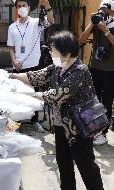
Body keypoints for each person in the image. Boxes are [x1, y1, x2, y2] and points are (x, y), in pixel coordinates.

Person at [10, 31, 104, 190]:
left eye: (53, 49)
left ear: (66, 53)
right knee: (64, 164)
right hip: (61, 125)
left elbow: (58, 94)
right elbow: (35, 76)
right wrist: (11, 76)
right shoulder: (57, 67)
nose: (50, 52)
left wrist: (28, 94)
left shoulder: (80, 70)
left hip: (80, 126)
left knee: (86, 165)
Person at [7, 0, 54, 131]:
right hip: (19, 66)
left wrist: (47, 6)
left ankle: (34, 121)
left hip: (35, 65)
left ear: (28, 7)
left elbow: (51, 21)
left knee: (35, 94)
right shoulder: (12, 27)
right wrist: (14, 60)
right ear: (16, 8)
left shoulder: (36, 23)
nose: (21, 8)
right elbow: (11, 47)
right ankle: (17, 121)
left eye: (24, 5)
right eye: (19, 6)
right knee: (18, 95)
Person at [80, 0, 114, 145]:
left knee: (106, 101)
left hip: (110, 70)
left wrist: (105, 30)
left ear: (112, 12)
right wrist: (91, 24)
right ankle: (94, 129)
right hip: (95, 67)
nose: (102, 13)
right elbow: (81, 40)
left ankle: (103, 133)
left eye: (105, 11)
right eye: (101, 10)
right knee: (93, 100)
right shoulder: (96, 23)